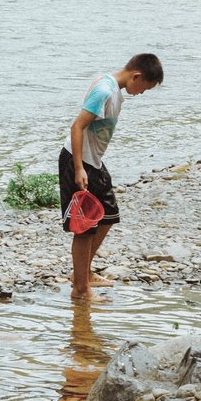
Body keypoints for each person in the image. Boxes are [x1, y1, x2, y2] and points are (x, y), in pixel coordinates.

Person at [59, 52, 163, 299]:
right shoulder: (104, 91)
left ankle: (82, 274)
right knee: (84, 227)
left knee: (107, 215)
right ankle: (81, 289)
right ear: (136, 76)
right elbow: (77, 126)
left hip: (93, 161)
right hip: (78, 161)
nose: (141, 93)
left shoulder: (113, 89)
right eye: (144, 88)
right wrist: (79, 168)